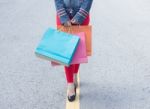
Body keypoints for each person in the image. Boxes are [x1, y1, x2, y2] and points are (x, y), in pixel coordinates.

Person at [54, 0, 93, 102]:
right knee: (66, 51)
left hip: (82, 13)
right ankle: (70, 83)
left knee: (79, 48)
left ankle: (75, 74)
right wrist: (64, 17)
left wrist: (79, 16)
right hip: (63, 13)